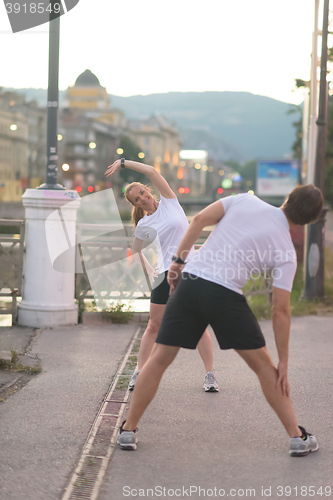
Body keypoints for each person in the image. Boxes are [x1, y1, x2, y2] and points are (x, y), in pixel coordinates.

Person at [116, 184, 323, 456]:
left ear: (288, 198)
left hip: (191, 282)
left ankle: (128, 431)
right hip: (225, 296)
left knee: (158, 360)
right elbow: (280, 311)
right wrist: (283, 360)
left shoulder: (246, 202)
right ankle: (297, 437)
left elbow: (200, 220)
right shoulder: (287, 252)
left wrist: (177, 263)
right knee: (265, 368)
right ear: (310, 220)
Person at [104, 158, 218, 392]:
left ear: (149, 190)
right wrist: (149, 268)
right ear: (135, 204)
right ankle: (139, 372)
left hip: (190, 271)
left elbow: (152, 170)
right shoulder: (144, 223)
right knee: (154, 325)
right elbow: (135, 250)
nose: (143, 198)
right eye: (137, 198)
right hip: (164, 274)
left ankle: (210, 375)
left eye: (143, 192)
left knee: (198, 325)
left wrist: (123, 163)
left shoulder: (170, 202)